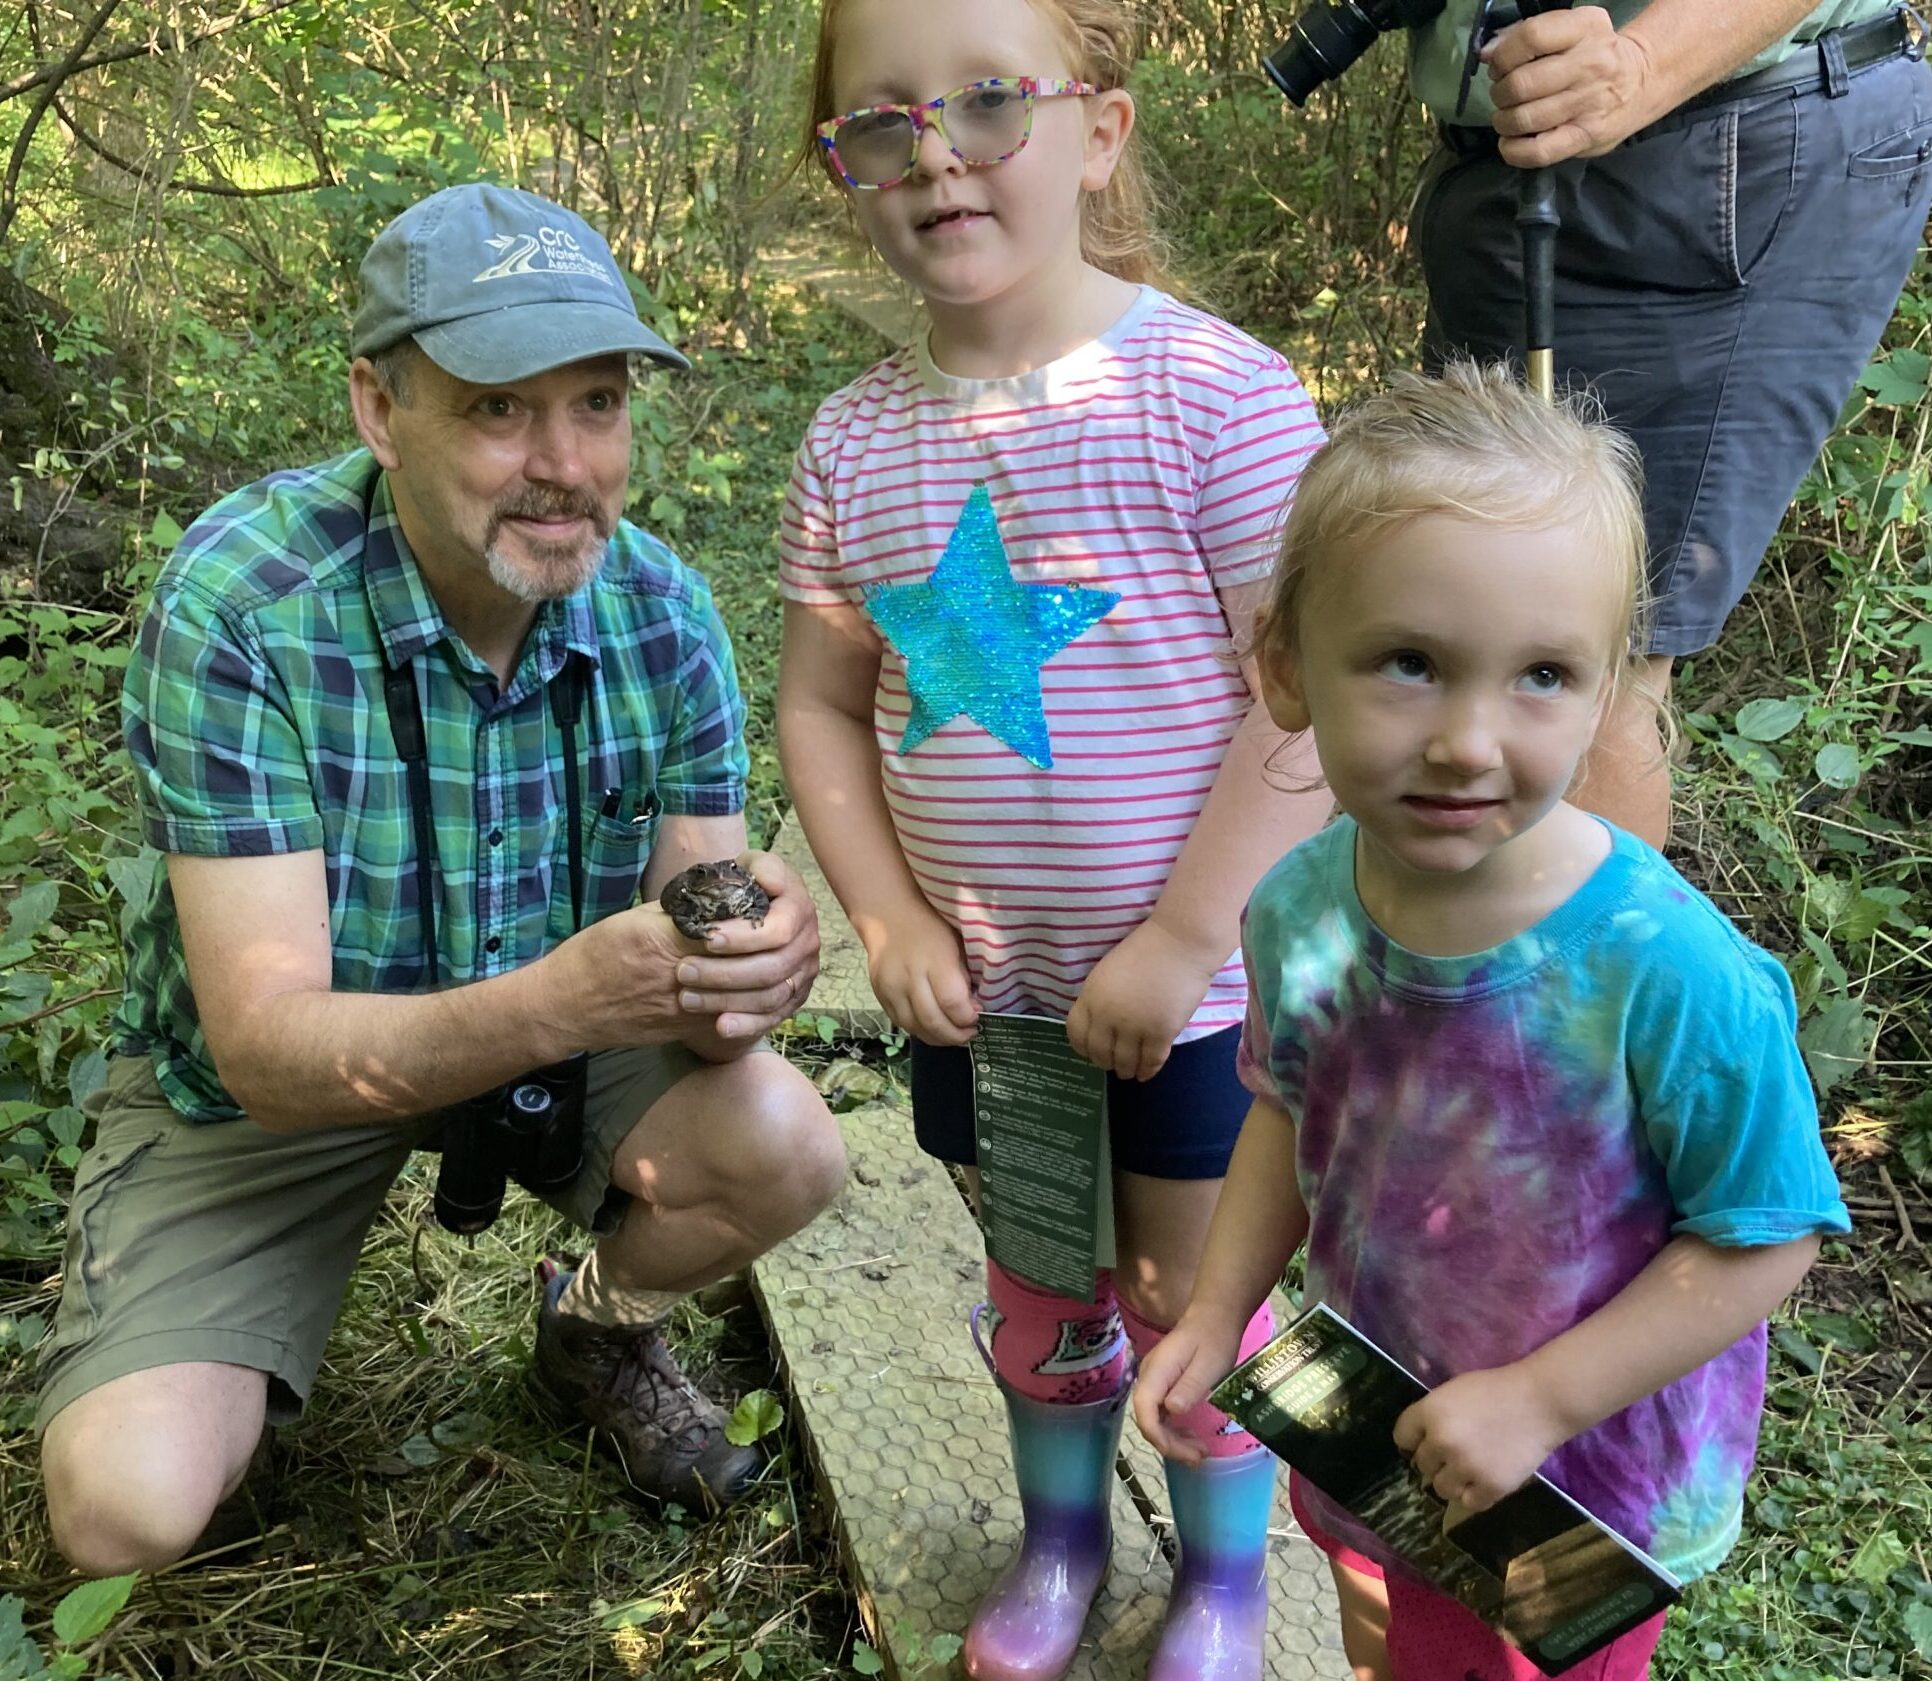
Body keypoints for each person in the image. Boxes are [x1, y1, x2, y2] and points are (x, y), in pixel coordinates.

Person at [36, 183, 848, 1576]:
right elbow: (270, 1048)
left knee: (782, 1140)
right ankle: (211, 1332)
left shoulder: (664, 613)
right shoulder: (246, 605)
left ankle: (593, 1329)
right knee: (126, 1510)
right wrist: (566, 999)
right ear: (376, 408)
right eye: (496, 410)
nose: (563, 462)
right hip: (280, 1089)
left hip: (564, 1038)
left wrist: (749, 965)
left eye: (597, 403)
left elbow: (706, 998)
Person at [1134, 364, 1851, 1681]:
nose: (1470, 740)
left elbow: (1766, 1240)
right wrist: (1214, 1304)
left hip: (1582, 1482)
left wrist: (1541, 1400)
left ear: (1606, 693)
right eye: (1410, 662)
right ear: (1286, 669)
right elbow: (1290, 1104)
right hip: (1373, 1411)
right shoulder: (1299, 909)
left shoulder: (1670, 971)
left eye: (1540, 676)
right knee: (1390, 1617)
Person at [777, 3, 1331, 1677]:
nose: (933, 151)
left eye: (987, 105)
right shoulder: (849, 443)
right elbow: (816, 707)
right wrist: (882, 922)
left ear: (1096, 131)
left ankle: (1224, 1577)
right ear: (843, 173)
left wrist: (1180, 937)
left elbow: (1300, 704)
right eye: (880, 124)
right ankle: (1064, 1540)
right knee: (1044, 1284)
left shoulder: (1217, 399)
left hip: (1207, 1001)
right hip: (990, 999)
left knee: (1191, 1299)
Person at [1407, 0, 1932, 848]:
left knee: (1587, 661)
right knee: (1459, 621)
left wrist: (1642, 66)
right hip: (1506, 168)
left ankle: (1587, 978)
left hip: (1724, 134)